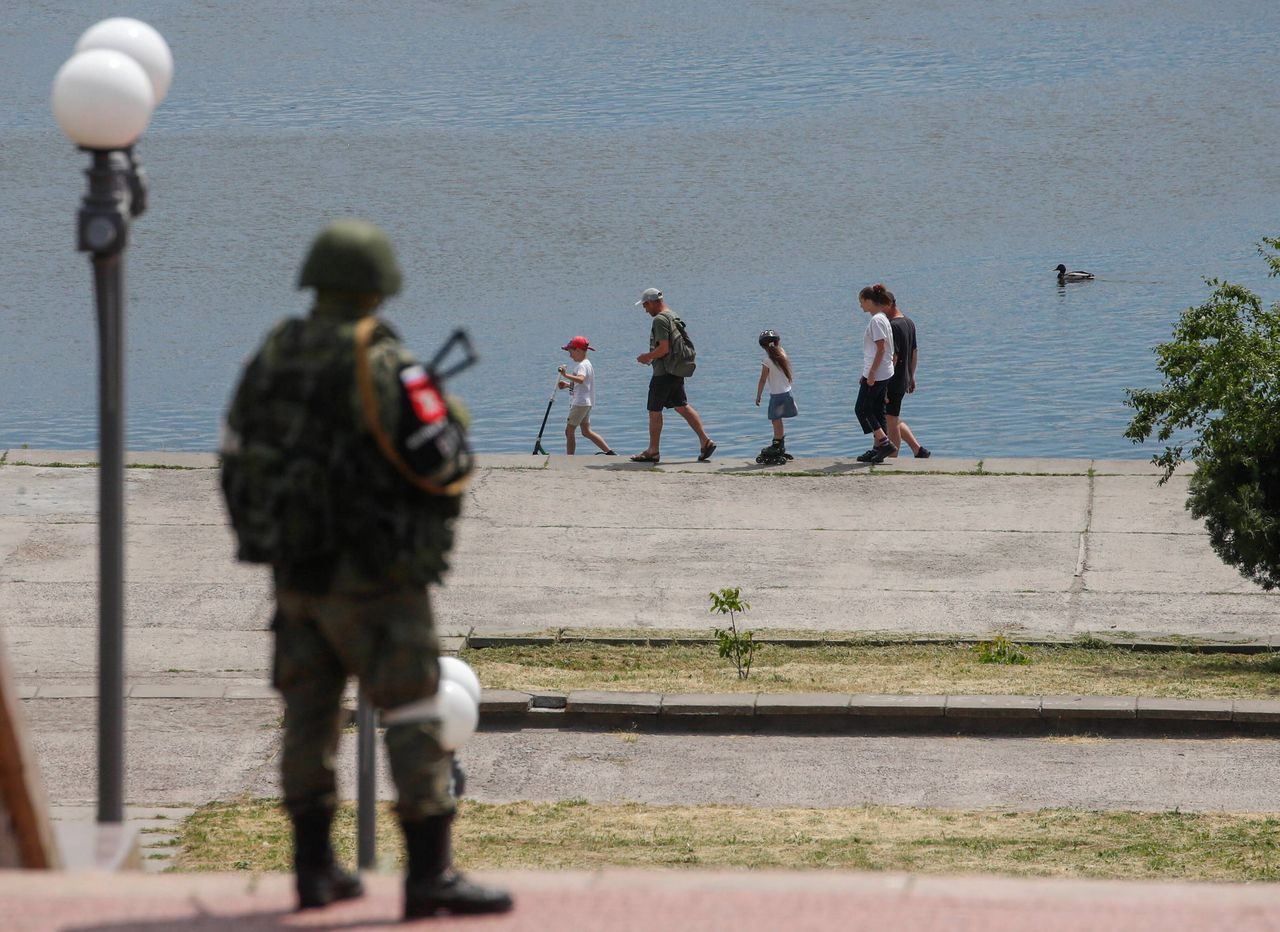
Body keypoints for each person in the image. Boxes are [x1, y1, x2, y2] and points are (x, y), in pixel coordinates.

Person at [219, 220, 512, 919]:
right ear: (379, 286)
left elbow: (235, 451)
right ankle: (429, 875)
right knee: (413, 707)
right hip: (378, 576)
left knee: (308, 716)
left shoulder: (273, 353)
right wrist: (454, 413)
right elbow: (443, 460)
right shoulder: (384, 363)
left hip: (296, 571)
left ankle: (315, 873)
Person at [630, 287, 716, 464]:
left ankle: (653, 451)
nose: (645, 309)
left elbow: (663, 348)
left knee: (654, 410)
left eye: (646, 305)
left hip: (664, 372)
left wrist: (647, 357)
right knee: (681, 406)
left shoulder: (660, 320)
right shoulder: (672, 315)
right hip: (675, 370)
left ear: (654, 302)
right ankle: (705, 441)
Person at [884, 291, 931, 458]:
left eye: (881, 308)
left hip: (892, 380)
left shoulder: (893, 326)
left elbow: (894, 357)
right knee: (892, 417)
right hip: (904, 377)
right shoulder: (909, 322)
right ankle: (918, 450)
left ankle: (892, 458)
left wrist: (884, 384)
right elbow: (914, 352)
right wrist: (911, 376)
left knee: (890, 419)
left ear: (889, 304)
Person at [855, 284, 896, 463]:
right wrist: (866, 373)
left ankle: (885, 443)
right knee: (878, 409)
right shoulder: (882, 318)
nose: (861, 305)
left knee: (862, 409)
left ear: (870, 301)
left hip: (878, 373)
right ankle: (878, 448)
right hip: (882, 371)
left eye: (862, 301)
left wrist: (871, 374)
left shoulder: (877, 321)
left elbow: (881, 348)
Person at [557, 335, 615, 455]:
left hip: (580, 403)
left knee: (569, 431)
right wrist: (568, 385)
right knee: (586, 431)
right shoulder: (587, 364)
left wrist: (565, 375)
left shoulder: (582, 365)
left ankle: (570, 458)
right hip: (586, 403)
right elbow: (582, 384)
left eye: (570, 352)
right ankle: (609, 452)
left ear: (578, 350)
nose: (570, 355)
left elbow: (581, 379)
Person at [754, 330, 797, 465]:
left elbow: (762, 380)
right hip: (787, 393)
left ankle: (777, 444)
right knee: (778, 420)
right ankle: (780, 444)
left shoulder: (767, 361)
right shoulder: (782, 354)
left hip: (777, 396)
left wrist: (758, 395)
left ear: (763, 347)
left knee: (775, 420)